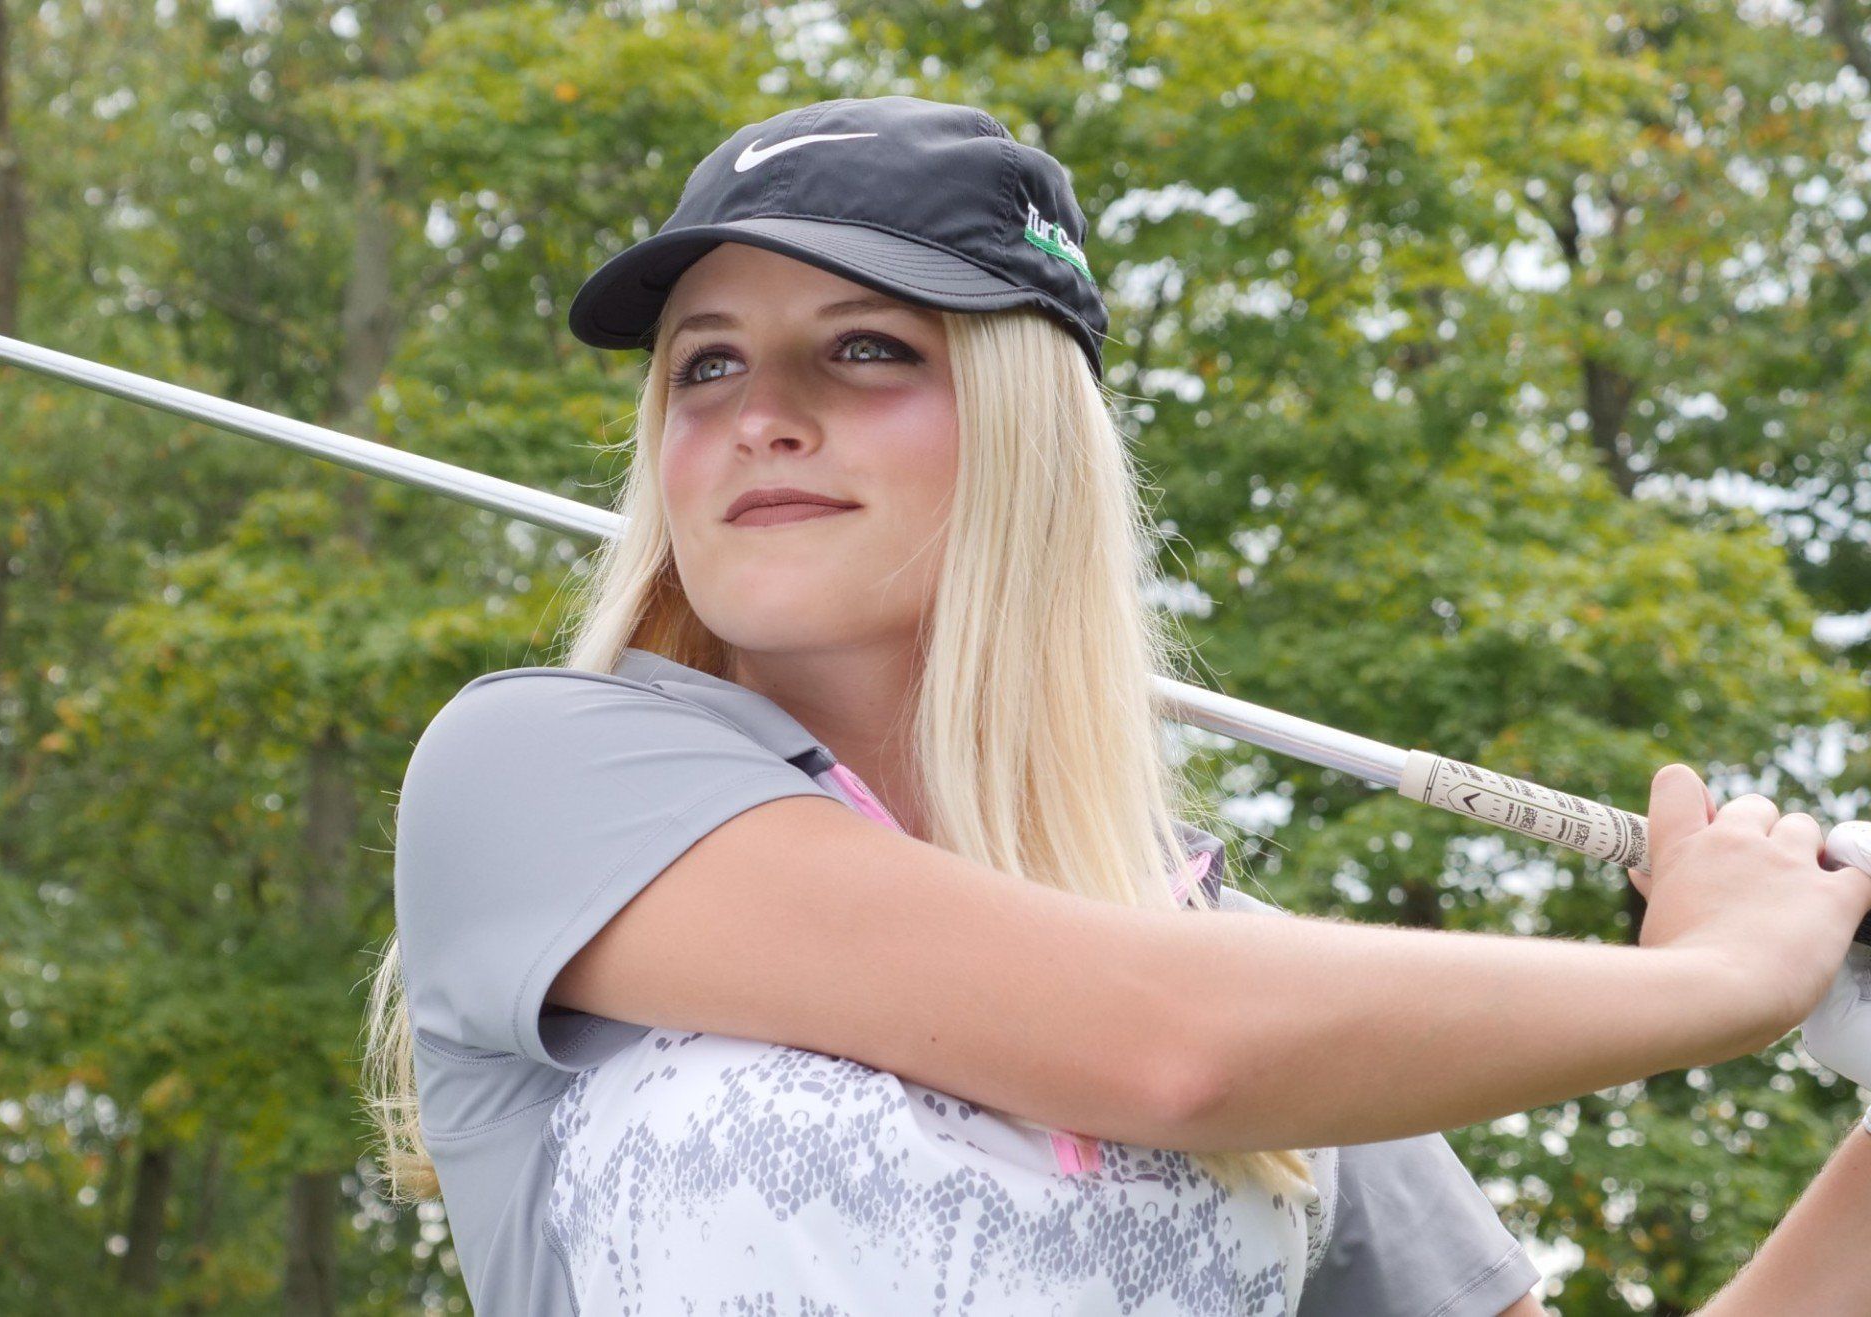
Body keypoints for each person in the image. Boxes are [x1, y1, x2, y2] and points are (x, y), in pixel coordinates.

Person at [358, 95, 1871, 1315]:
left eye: (865, 347)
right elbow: (1168, 1053)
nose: (762, 413)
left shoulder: (1256, 986)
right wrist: (1726, 975)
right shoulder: (531, 777)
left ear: (1028, 433)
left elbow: (1194, 1021)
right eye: (707, 365)